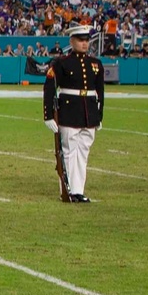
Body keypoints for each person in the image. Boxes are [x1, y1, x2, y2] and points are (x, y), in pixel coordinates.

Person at [43, 24, 106, 203]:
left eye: (87, 40)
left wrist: (99, 115)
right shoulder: (61, 63)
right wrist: (48, 115)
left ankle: (79, 189)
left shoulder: (95, 64)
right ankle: (69, 188)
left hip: (88, 113)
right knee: (69, 151)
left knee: (83, 152)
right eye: (81, 40)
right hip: (69, 112)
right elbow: (49, 88)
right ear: (72, 41)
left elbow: (100, 92)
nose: (85, 44)